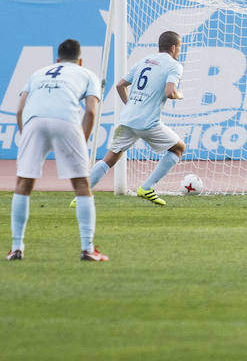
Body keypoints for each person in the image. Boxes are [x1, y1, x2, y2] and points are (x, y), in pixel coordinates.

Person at [9, 39, 107, 261]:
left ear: (57, 59)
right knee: (81, 184)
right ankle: (87, 249)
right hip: (66, 121)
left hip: (34, 121)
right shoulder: (87, 74)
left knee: (23, 183)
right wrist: (82, 141)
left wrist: (27, 138)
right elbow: (90, 112)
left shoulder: (38, 73)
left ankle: (17, 248)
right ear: (80, 60)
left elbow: (20, 110)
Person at [84, 31, 185, 207]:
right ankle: (146, 188)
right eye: (179, 48)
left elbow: (120, 85)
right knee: (178, 148)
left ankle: (81, 196)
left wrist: (130, 104)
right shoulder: (174, 65)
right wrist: (178, 95)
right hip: (148, 122)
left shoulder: (144, 60)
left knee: (109, 159)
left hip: (127, 119)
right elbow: (169, 92)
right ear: (174, 47)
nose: (179, 52)